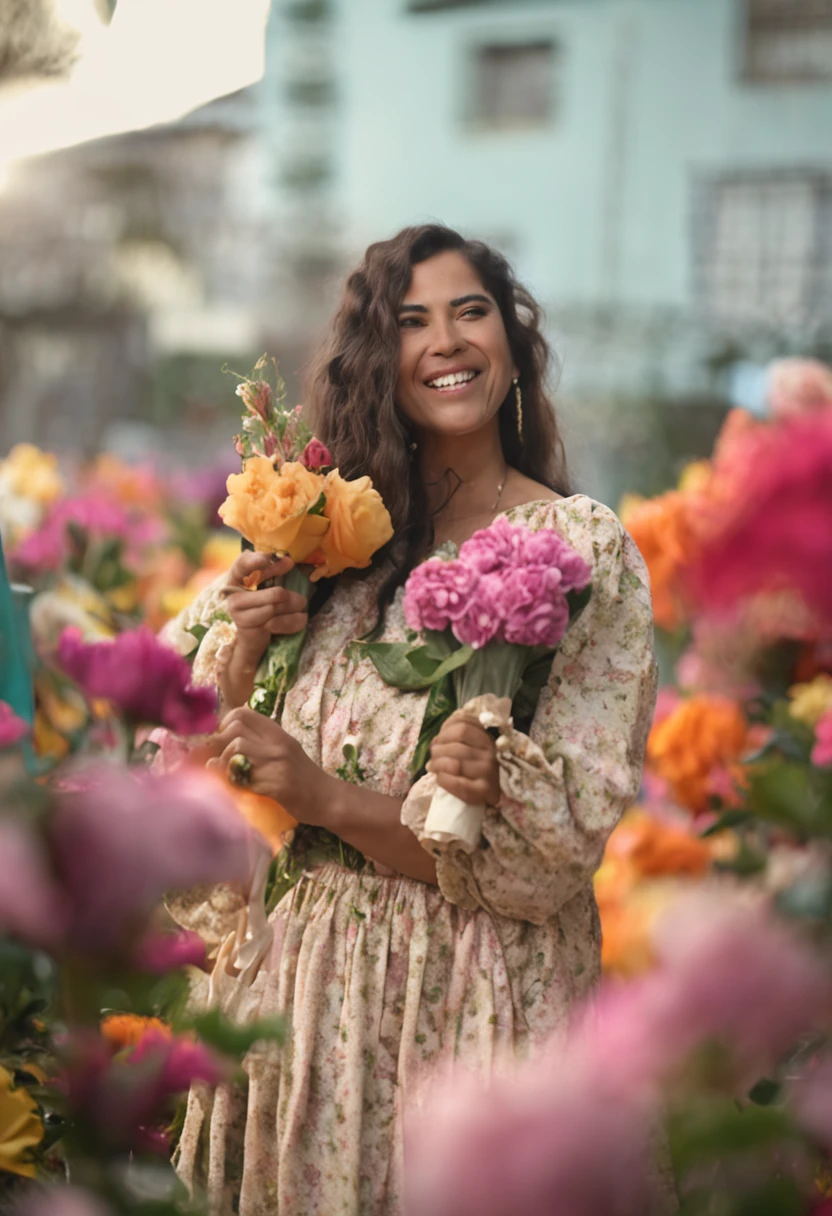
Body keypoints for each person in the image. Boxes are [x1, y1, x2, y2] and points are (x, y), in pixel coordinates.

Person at [165, 224, 658, 1215]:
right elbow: (174, 765)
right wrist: (246, 658)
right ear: (375, 363)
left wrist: (323, 795)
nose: (445, 340)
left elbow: (539, 860)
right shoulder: (317, 539)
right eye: (411, 321)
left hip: (473, 1014)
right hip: (301, 1019)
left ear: (510, 346)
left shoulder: (572, 546)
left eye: (470, 311)